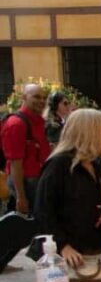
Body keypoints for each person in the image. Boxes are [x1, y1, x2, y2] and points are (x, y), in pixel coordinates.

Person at [33, 108, 101, 280]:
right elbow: (43, 212)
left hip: (98, 253)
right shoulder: (58, 166)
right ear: (89, 134)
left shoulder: (97, 167)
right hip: (69, 259)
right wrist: (62, 246)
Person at [1, 83, 51, 215]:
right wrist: (21, 197)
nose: (41, 101)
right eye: (36, 97)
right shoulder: (16, 124)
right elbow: (15, 163)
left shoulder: (38, 121)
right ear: (24, 97)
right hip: (27, 183)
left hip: (38, 180)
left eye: (43, 98)